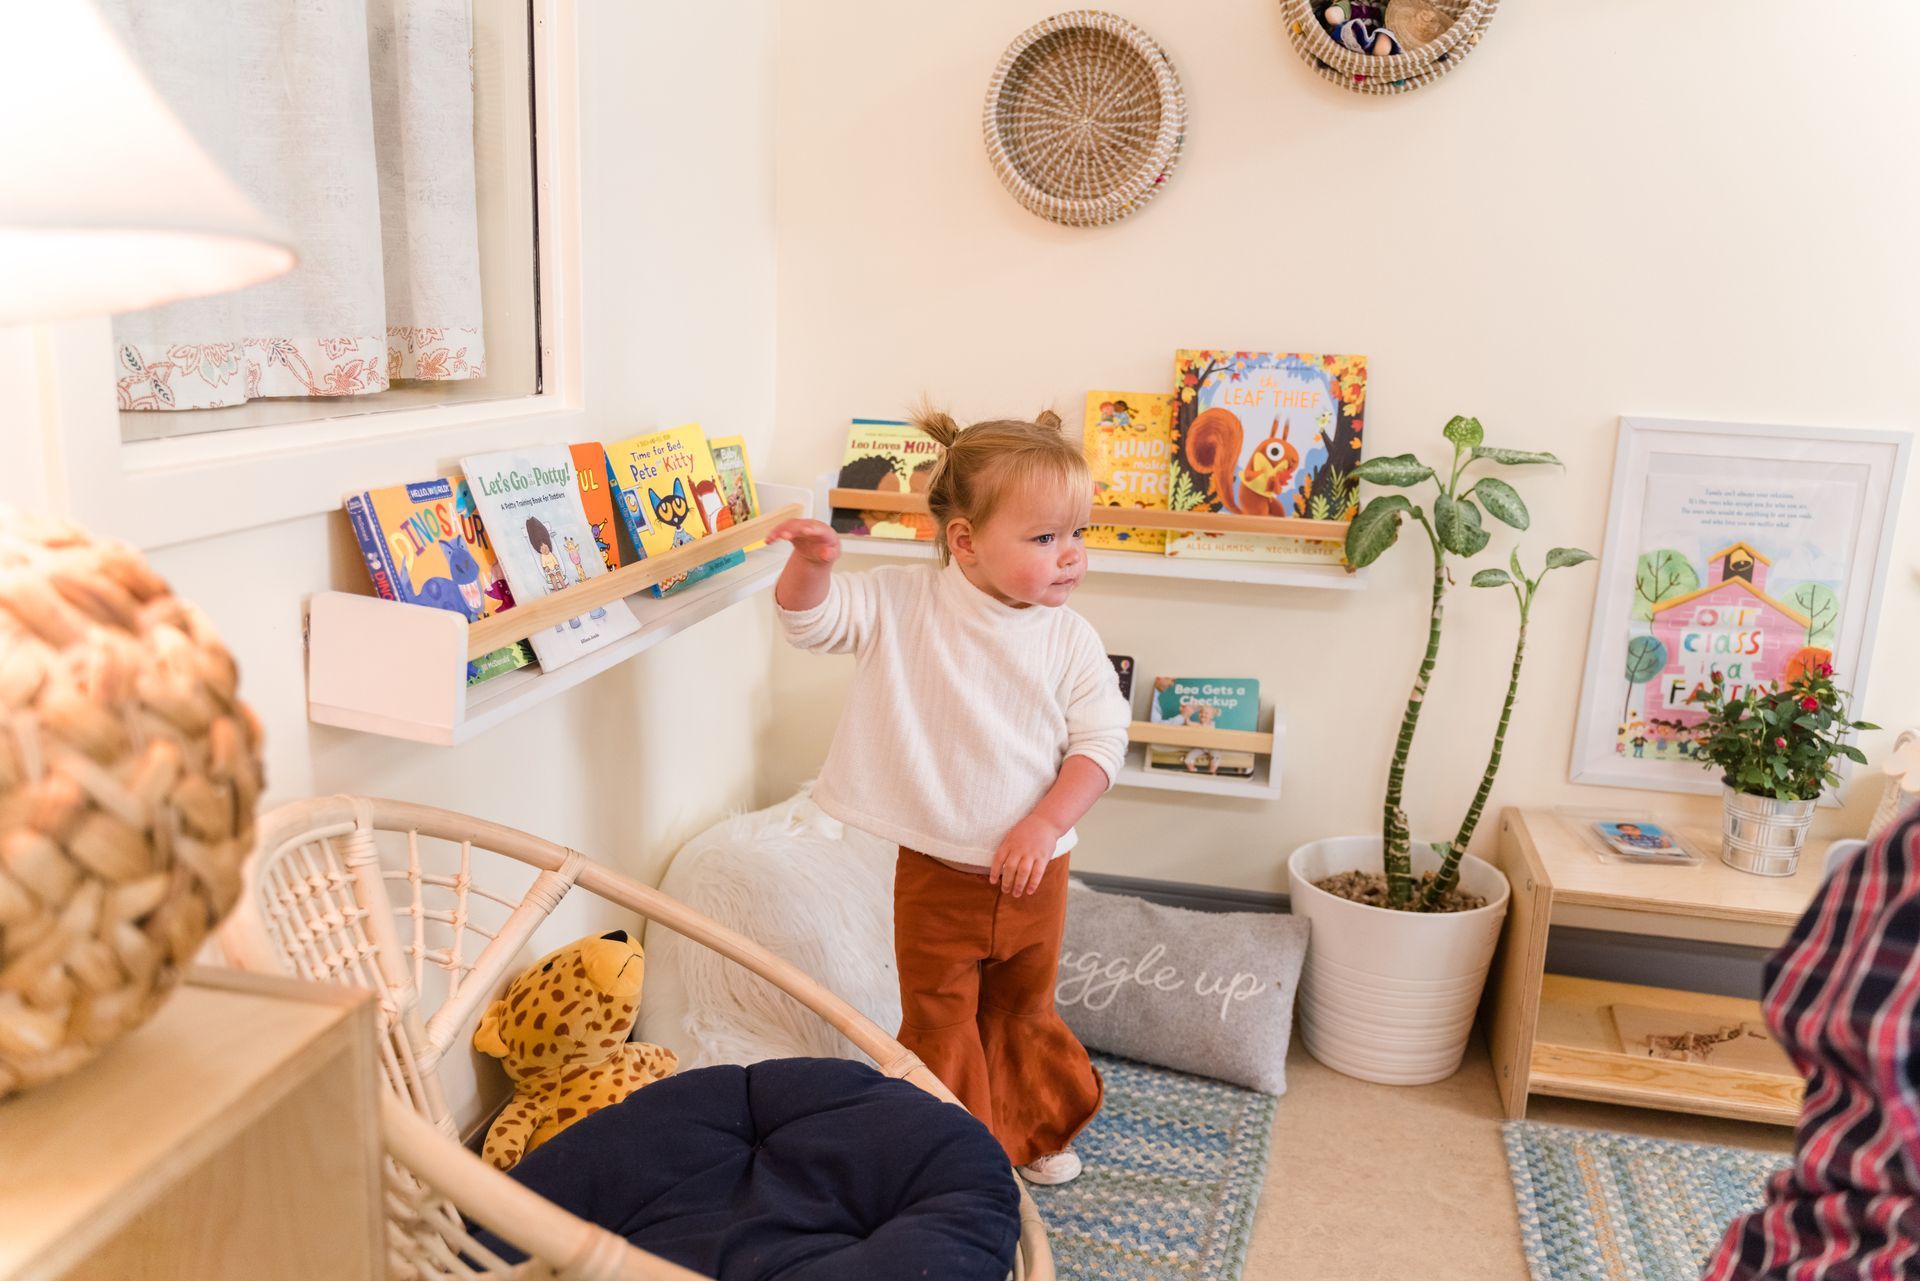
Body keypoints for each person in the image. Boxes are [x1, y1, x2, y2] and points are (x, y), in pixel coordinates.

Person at [768, 407, 1128, 1187]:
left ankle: (1032, 1129)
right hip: (937, 872)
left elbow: (1101, 745)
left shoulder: (1069, 637)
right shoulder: (905, 602)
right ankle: (948, 1157)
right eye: (1045, 539)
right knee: (939, 1019)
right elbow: (811, 623)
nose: (1070, 557)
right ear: (964, 541)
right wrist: (815, 565)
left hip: (1038, 873)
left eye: (1078, 534)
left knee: (1021, 1011)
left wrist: (1044, 822)